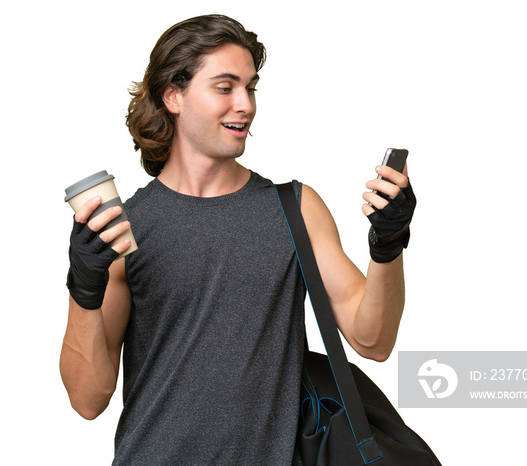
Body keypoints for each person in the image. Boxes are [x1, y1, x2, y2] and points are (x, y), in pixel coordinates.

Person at [59, 14, 416, 465]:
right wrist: (83, 288)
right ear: (173, 95)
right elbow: (88, 400)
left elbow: (373, 341)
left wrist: (388, 246)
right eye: (224, 87)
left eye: (250, 87)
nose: (244, 104)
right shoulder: (124, 228)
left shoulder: (296, 209)